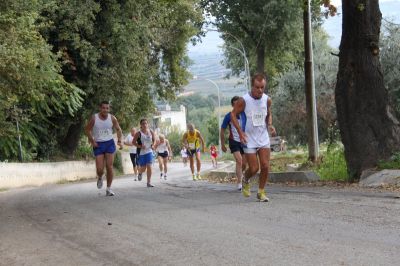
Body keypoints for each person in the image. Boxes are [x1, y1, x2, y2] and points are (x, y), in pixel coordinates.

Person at [231, 73, 276, 202]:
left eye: (262, 87)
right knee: (254, 168)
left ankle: (261, 192)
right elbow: (233, 114)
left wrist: (270, 125)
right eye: (257, 87)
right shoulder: (244, 100)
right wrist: (240, 132)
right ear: (252, 86)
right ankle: (246, 179)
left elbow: (268, 114)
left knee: (266, 166)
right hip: (248, 138)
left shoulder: (267, 99)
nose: (260, 90)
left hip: (262, 137)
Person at [85, 100, 123, 196]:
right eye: (103, 108)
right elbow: (87, 129)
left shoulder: (112, 118)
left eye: (107, 108)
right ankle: (100, 177)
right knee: (100, 169)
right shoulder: (95, 118)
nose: (105, 110)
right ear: (100, 108)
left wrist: (119, 140)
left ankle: (108, 189)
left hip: (109, 143)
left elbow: (118, 129)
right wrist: (92, 141)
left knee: (109, 167)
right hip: (99, 144)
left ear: (109, 109)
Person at [220, 96, 247, 191]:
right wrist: (222, 144)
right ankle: (239, 182)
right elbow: (222, 130)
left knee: (244, 163)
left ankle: (240, 174)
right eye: (235, 104)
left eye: (239, 104)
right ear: (232, 105)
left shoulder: (244, 114)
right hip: (233, 141)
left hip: (243, 141)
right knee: (239, 161)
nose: (237, 106)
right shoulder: (229, 116)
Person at [133, 119, 156, 187]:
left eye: (146, 123)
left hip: (149, 151)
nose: (145, 125)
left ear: (147, 124)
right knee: (143, 168)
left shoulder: (151, 131)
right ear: (141, 125)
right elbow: (133, 142)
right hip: (141, 152)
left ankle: (148, 182)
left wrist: (153, 145)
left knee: (149, 166)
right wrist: (140, 146)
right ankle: (140, 172)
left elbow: (154, 140)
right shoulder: (138, 133)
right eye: (143, 124)